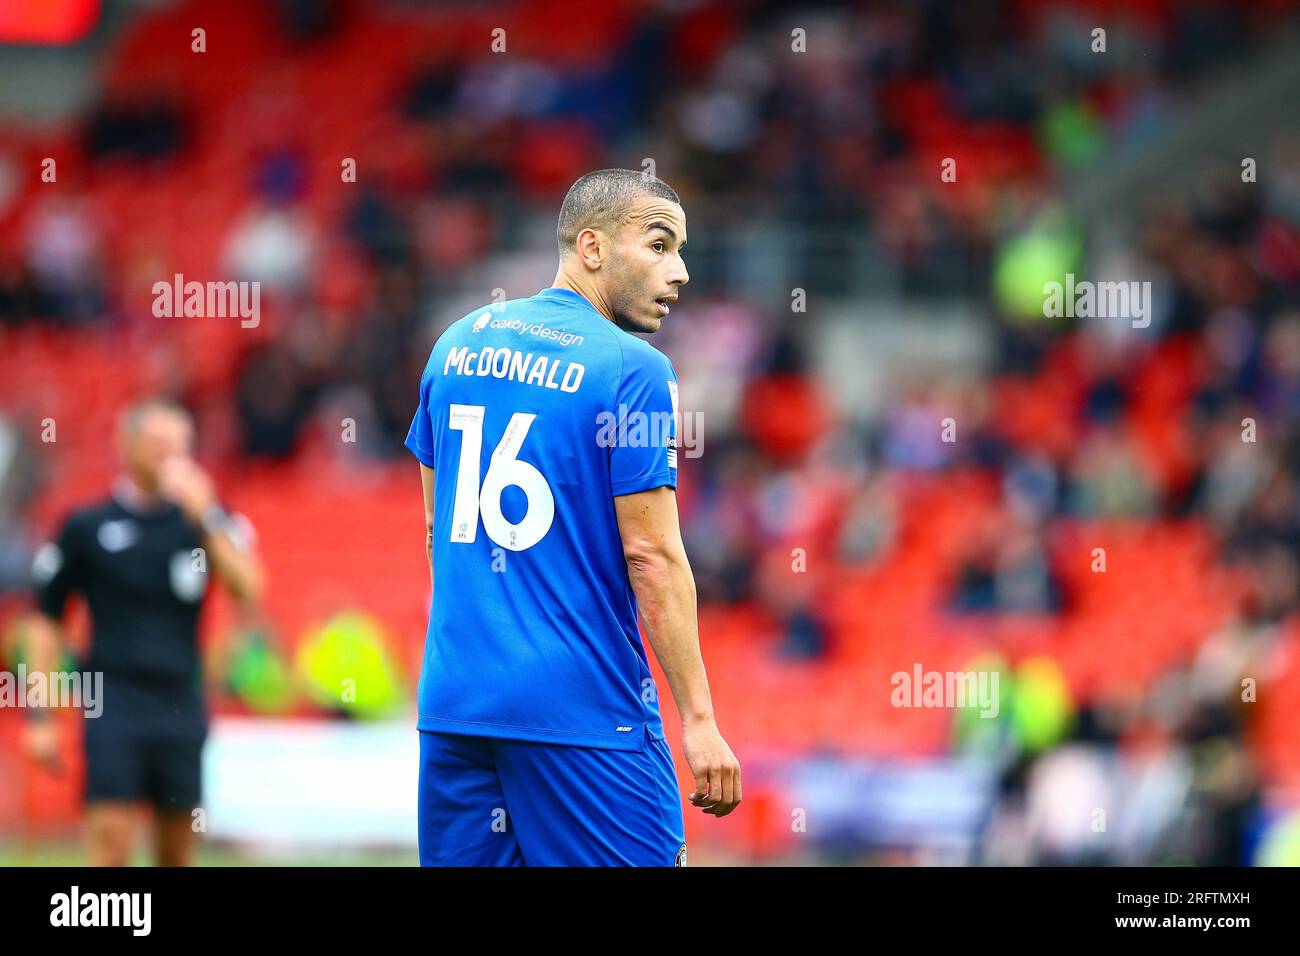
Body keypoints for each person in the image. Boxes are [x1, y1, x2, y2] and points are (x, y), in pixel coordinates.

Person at [405, 168, 740, 866]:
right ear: (591, 247)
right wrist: (701, 722)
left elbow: (437, 531)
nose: (678, 272)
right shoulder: (633, 369)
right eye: (658, 245)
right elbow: (651, 557)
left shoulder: (455, 343)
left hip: (456, 700)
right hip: (583, 711)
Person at [23, 398, 264, 866]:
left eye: (179, 446)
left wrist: (207, 514)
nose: (170, 455)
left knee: (175, 852)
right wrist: (39, 717)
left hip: (180, 701)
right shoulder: (86, 527)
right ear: (127, 446)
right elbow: (45, 623)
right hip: (113, 700)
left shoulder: (205, 522)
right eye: (158, 444)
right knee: (111, 841)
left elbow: (250, 588)